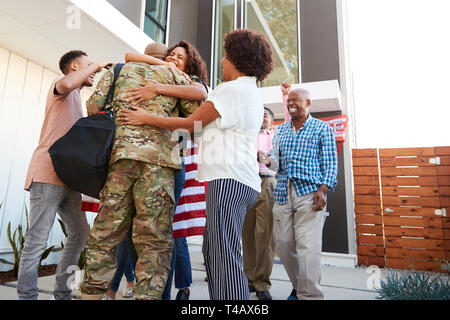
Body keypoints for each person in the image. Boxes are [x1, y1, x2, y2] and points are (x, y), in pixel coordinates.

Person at [118, 28, 274, 300]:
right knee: (213, 253)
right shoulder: (249, 92)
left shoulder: (231, 90)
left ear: (238, 58)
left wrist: (145, 117)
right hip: (240, 182)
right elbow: (201, 128)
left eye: (226, 56)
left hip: (229, 181)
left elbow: (191, 125)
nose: (222, 62)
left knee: (224, 257)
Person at [79, 43, 200, 300]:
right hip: (160, 168)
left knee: (105, 235)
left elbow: (93, 107)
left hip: (120, 161)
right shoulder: (176, 76)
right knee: (154, 240)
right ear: (165, 56)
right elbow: (196, 120)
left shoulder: (119, 70)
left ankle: (92, 295)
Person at [18, 51, 111, 300]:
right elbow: (68, 83)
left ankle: (62, 294)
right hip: (46, 175)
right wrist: (100, 62)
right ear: (74, 66)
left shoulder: (78, 100)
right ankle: (27, 296)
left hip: (69, 180)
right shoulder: (61, 86)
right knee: (37, 241)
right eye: (88, 65)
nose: (94, 69)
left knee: (80, 233)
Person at [124, 41, 209, 301]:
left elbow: (201, 93)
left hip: (173, 164)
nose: (172, 58)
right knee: (143, 231)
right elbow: (128, 55)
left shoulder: (190, 81)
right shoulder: (158, 71)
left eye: (179, 57)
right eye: (170, 54)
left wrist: (158, 87)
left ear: (190, 63)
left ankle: (173, 291)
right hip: (145, 162)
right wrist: (165, 68)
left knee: (167, 233)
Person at [266, 87, 338, 300]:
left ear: (308, 103)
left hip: (310, 193)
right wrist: (267, 160)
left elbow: (330, 163)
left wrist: (323, 190)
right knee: (284, 244)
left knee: (308, 247)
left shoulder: (321, 128)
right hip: (282, 193)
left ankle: (310, 296)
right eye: (289, 101)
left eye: (296, 100)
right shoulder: (281, 130)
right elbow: (276, 161)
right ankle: (299, 286)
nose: (291, 103)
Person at [242, 107, 277, 300]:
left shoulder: (276, 136)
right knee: (247, 234)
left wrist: (268, 159)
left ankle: (262, 283)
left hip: (267, 181)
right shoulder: (246, 136)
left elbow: (281, 161)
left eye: (265, 116)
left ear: (271, 121)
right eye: (259, 115)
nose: (262, 118)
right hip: (247, 182)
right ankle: (249, 279)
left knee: (265, 235)